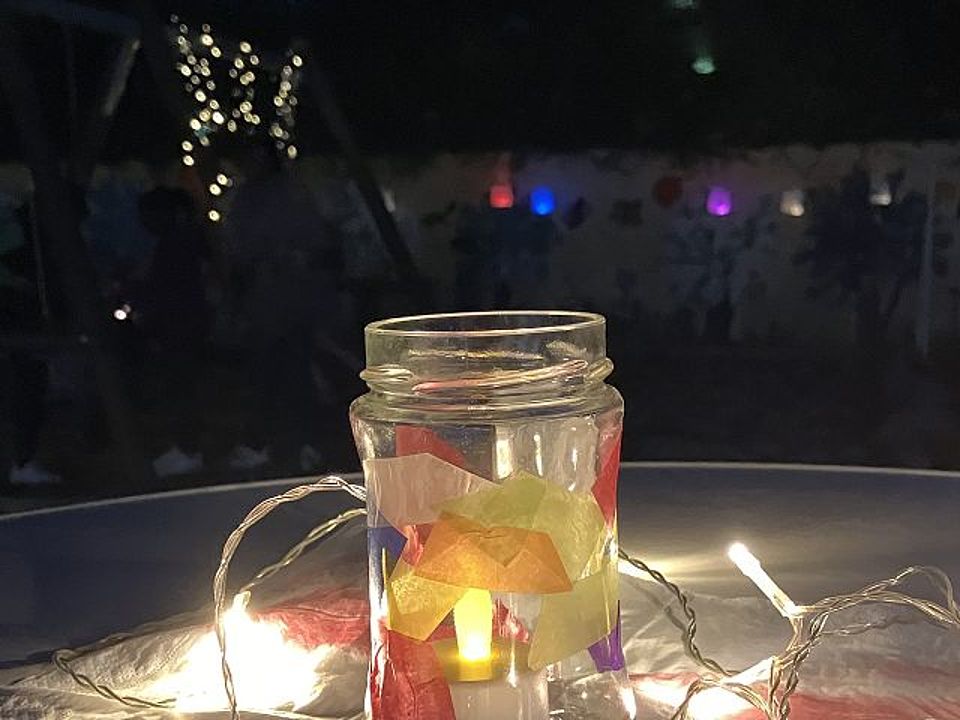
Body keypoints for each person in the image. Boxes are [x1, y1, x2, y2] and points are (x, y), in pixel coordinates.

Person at [136, 187, 210, 478]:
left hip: (179, 324)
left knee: (181, 387)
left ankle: (187, 449)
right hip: (183, 323)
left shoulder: (176, 244)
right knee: (181, 386)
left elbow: (166, 289)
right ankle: (186, 447)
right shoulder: (182, 241)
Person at [0, 192, 61, 485]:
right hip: (17, 325)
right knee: (23, 390)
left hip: (23, 325)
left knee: (27, 389)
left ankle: (23, 460)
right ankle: (21, 461)